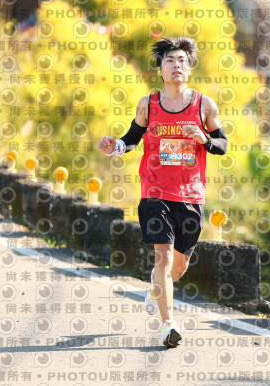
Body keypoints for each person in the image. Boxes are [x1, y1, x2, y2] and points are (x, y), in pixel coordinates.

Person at [97, 36, 228, 348]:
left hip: (191, 196)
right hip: (155, 193)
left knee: (179, 267)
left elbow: (222, 145)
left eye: (182, 61)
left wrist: (204, 139)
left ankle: (155, 289)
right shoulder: (149, 104)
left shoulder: (205, 105)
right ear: (160, 70)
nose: (176, 65)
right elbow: (131, 138)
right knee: (164, 259)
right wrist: (114, 147)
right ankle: (168, 325)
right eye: (169, 60)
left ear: (189, 68)